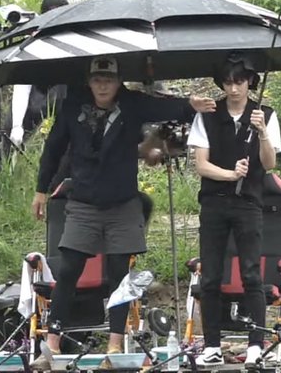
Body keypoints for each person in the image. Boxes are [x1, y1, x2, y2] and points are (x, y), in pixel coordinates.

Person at [30, 55, 215, 370]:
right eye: (97, 80)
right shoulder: (73, 107)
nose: (103, 86)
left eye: (109, 80)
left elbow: (164, 107)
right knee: (69, 268)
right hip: (84, 202)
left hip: (123, 203)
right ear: (89, 82)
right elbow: (54, 148)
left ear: (118, 82)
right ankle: (52, 343)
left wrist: (190, 104)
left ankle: (115, 344)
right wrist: (41, 189)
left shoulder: (132, 104)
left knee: (119, 274)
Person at [186, 54, 281, 367]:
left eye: (239, 81)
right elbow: (202, 165)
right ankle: (212, 344)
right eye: (227, 82)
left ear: (250, 81)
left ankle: (255, 343)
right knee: (211, 275)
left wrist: (262, 132)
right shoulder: (208, 115)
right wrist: (230, 174)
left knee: (251, 273)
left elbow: (269, 164)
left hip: (249, 203)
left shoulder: (265, 114)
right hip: (213, 202)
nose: (233, 88)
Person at [7, 0, 69, 150]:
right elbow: (22, 84)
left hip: (65, 96)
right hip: (37, 93)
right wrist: (16, 125)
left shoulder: (73, 40)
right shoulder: (34, 43)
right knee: (10, 128)